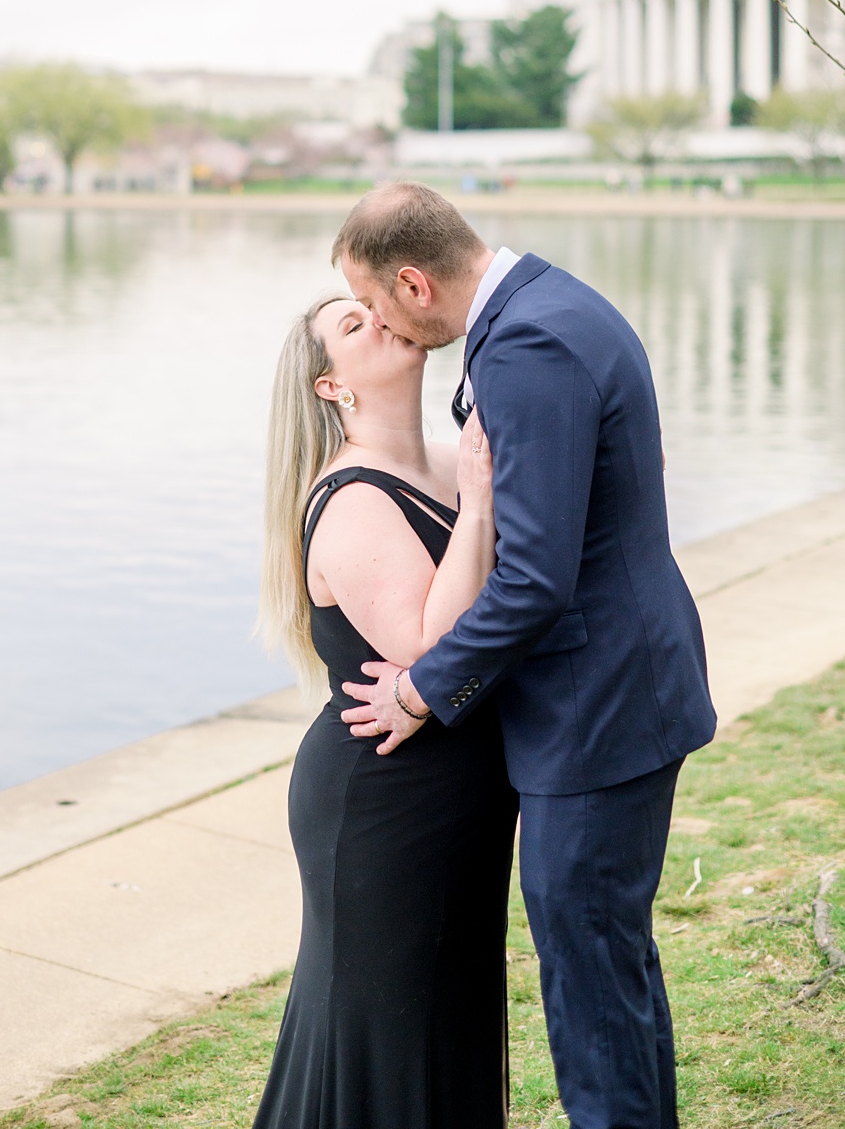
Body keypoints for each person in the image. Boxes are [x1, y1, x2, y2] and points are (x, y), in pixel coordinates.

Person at [334, 182, 714, 1129]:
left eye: (375, 304)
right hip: (622, 685)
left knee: (589, 977)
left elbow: (535, 581)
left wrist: (423, 688)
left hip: (596, 708)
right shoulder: (548, 302)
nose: (379, 323)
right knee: (609, 961)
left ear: (413, 284)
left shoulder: (529, 344)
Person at [250, 293, 517, 1128]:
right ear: (333, 388)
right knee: (385, 1029)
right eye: (354, 326)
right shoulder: (355, 498)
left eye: (375, 306)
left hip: (462, 788)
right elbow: (428, 652)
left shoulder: (446, 459)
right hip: (384, 796)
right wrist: (479, 506)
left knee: (447, 1013)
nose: (382, 320)